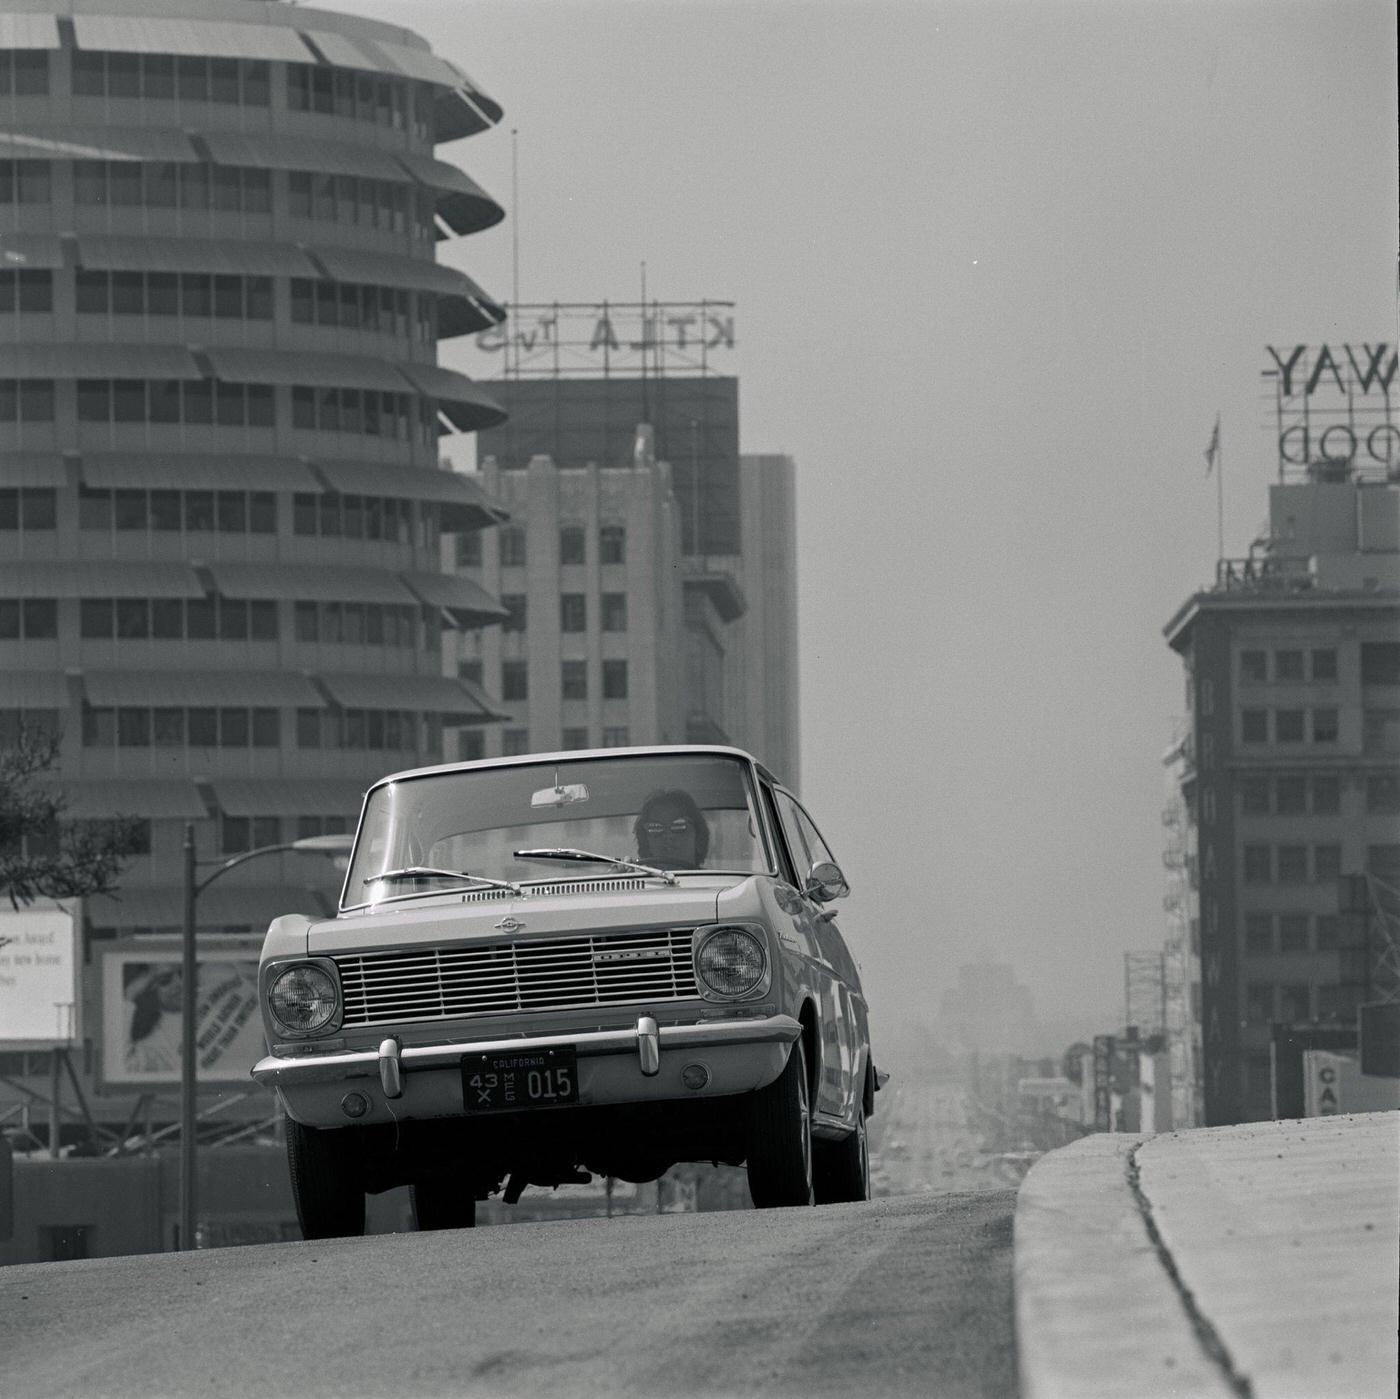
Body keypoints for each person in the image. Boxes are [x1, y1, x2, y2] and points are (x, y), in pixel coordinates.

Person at [634, 789, 710, 871]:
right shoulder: (636, 882)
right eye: (655, 828)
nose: (668, 836)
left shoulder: (718, 882)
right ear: (646, 841)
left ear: (698, 837)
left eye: (679, 825)